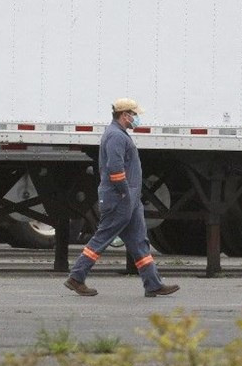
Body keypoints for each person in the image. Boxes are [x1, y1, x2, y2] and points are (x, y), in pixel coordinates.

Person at [64, 98, 179, 298]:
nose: (136, 118)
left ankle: (153, 284)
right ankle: (76, 277)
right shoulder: (116, 136)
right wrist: (125, 192)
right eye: (134, 115)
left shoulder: (119, 134)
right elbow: (115, 169)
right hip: (120, 199)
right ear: (125, 115)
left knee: (139, 241)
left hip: (128, 200)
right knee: (103, 237)